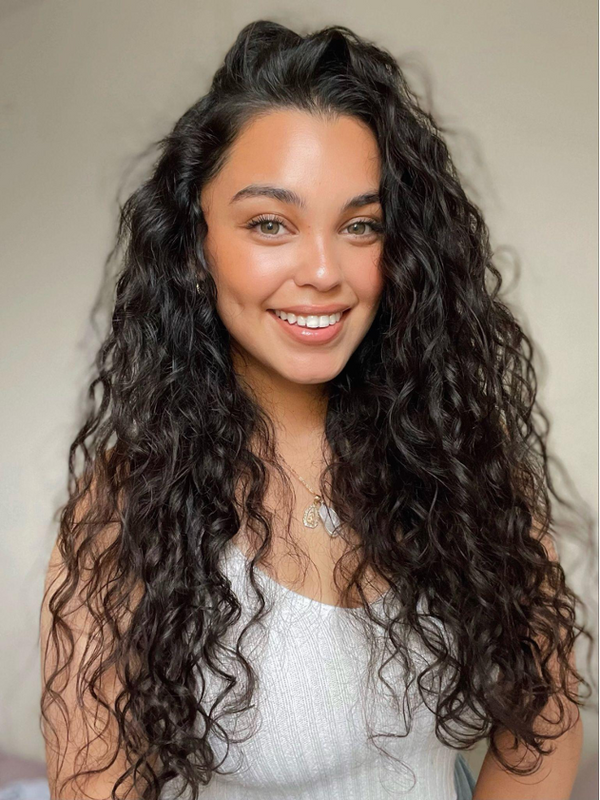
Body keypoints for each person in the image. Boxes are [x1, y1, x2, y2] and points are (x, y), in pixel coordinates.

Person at [39, 19, 592, 800]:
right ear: (197, 247)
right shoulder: (126, 506)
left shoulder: (462, 456)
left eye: (360, 225)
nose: (325, 271)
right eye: (271, 224)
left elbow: (541, 730)